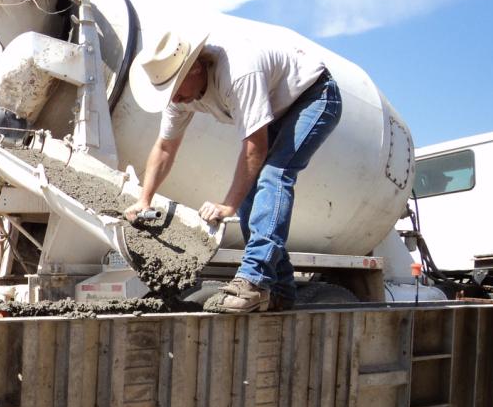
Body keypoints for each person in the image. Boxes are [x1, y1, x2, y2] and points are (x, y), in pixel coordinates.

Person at [125, 21, 342, 313]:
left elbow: (255, 147)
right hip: (279, 109)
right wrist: (144, 199)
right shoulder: (180, 98)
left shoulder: (237, 72)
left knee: (274, 175)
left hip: (314, 95)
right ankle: (281, 291)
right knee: (250, 197)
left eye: (176, 89)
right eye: (169, 93)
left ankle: (254, 280)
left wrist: (227, 205)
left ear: (196, 68)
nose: (174, 99)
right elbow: (165, 148)